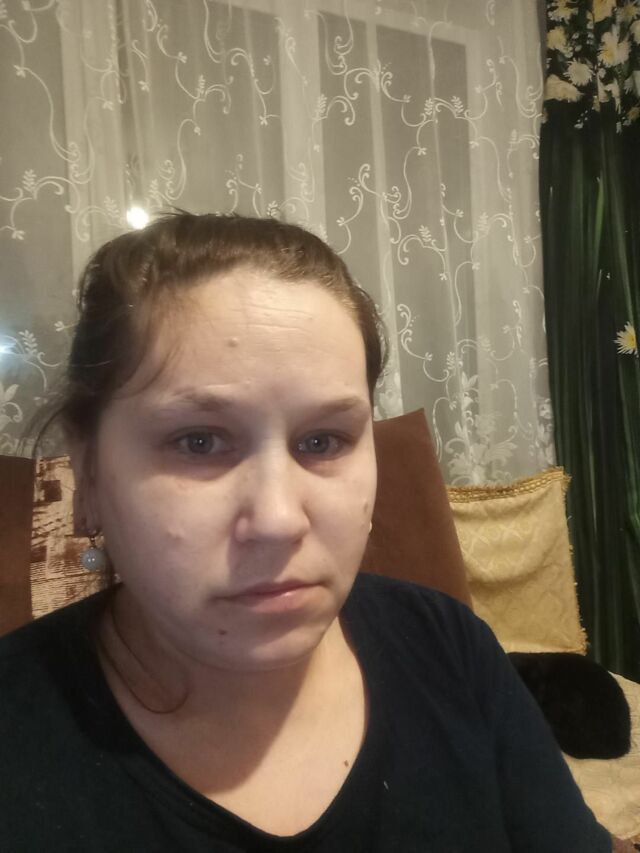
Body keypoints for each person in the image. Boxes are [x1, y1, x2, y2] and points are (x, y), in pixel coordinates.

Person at [0, 213, 614, 851]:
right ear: (88, 472)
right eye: (198, 441)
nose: (278, 520)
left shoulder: (449, 645)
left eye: (323, 441)